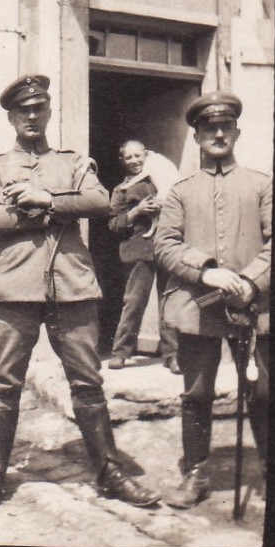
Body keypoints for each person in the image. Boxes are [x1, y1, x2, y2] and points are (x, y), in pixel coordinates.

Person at [0, 74, 160, 514]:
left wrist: (42, 198)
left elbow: (100, 203)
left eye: (39, 108)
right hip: (14, 286)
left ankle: (110, 472)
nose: (32, 117)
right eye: (23, 111)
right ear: (11, 117)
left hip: (72, 285)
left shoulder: (75, 162)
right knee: (4, 383)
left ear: (49, 111)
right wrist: (51, 213)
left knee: (88, 381)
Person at [154, 92, 271, 508]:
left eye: (225, 127)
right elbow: (164, 246)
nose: (218, 134)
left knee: (265, 392)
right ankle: (198, 474)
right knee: (197, 394)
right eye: (209, 128)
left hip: (255, 307)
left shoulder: (261, 184)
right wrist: (205, 270)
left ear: (236, 132)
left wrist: (251, 281)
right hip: (197, 308)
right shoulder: (180, 192)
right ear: (198, 135)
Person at [107, 140, 180, 373]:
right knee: (134, 302)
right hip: (138, 252)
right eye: (129, 158)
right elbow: (114, 225)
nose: (134, 161)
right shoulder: (121, 190)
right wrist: (136, 212)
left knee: (168, 302)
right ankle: (120, 352)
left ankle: (173, 355)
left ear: (145, 155)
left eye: (138, 156)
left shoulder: (160, 181)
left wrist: (162, 207)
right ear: (123, 161)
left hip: (165, 248)